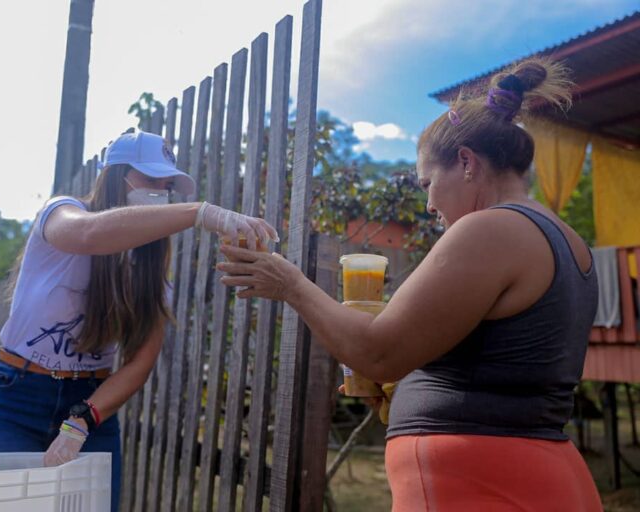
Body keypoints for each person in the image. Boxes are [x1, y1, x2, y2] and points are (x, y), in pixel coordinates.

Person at [218, 58, 602, 511]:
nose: (427, 205)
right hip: (527, 469)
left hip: (482, 481)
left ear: (465, 162)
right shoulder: (566, 240)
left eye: (427, 183)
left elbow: (377, 352)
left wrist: (291, 284)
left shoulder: (490, 229)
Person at [0, 129, 277, 512]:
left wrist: (83, 418)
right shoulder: (62, 213)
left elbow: (140, 363)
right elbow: (88, 233)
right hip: (14, 398)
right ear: (116, 175)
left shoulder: (152, 272)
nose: (161, 191)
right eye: (151, 178)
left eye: (167, 184)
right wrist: (199, 212)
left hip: (92, 406)